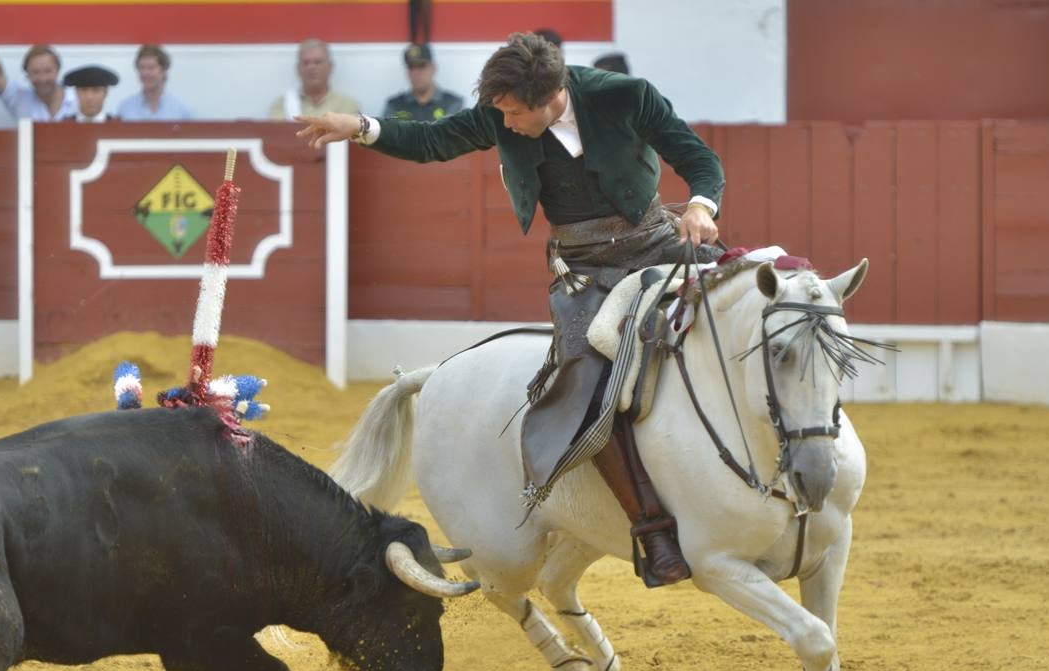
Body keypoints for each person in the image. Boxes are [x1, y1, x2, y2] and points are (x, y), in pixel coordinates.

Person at [296, 32, 723, 587]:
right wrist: (361, 127)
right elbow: (434, 140)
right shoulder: (503, 113)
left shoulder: (625, 95)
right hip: (584, 269)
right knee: (588, 385)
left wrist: (699, 204)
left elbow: (697, 157)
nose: (507, 124)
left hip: (656, 241)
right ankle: (651, 530)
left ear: (551, 97)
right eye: (501, 112)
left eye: (516, 113)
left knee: (753, 306)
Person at [0, 40, 77, 122]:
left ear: (58, 71)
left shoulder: (78, 97)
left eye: (47, 71)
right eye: (36, 72)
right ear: (27, 74)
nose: (42, 78)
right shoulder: (19, 99)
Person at [268, 38, 358, 121]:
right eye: (306, 63)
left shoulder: (347, 105)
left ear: (330, 67)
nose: (311, 67)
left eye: (318, 62)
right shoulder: (282, 105)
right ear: (298, 69)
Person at [382, 43, 463, 121]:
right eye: (411, 67)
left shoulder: (452, 103)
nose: (416, 73)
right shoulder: (394, 105)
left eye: (421, 66)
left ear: (433, 68)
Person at [117, 44, 193, 121]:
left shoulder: (181, 111)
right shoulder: (125, 109)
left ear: (163, 71)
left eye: (151, 68)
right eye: (142, 68)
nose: (145, 73)